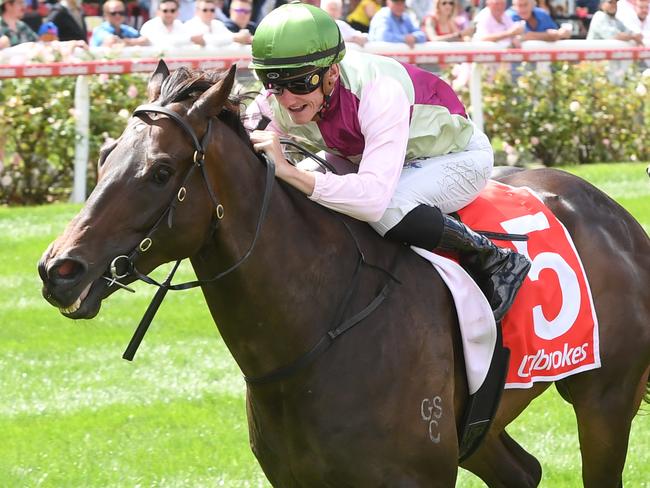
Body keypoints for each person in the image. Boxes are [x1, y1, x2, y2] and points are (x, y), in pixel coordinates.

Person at [247, 3, 531, 322]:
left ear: (332, 73)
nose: (288, 99)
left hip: (456, 156)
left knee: (386, 209)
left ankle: (493, 257)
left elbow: (371, 200)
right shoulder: (277, 98)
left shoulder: (377, 90)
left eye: (301, 84)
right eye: (276, 85)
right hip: (370, 157)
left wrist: (288, 170)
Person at [140, 0, 206, 47]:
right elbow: (159, 43)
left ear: (177, 13)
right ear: (158, 12)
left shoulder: (180, 25)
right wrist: (189, 39)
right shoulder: (149, 26)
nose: (169, 14)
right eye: (165, 11)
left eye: (172, 10)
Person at [184, 0, 252, 45]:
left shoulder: (217, 24)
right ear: (197, 11)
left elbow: (232, 37)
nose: (209, 13)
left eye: (212, 10)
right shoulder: (190, 25)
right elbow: (206, 40)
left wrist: (245, 37)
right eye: (205, 10)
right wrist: (234, 38)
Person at [507, 0, 572, 40]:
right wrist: (553, 35)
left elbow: (556, 32)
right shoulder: (510, 16)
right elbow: (526, 36)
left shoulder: (541, 13)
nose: (523, 9)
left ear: (532, 5)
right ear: (514, 7)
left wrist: (559, 34)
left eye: (525, 4)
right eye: (520, 5)